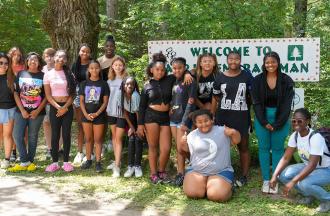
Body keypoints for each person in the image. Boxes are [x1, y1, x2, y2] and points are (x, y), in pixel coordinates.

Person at [137, 52, 193, 184]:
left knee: (166, 148)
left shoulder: (170, 79)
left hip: (166, 117)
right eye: (157, 69)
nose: (160, 72)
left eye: (162, 70)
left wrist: (188, 73)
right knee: (153, 147)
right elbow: (141, 106)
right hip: (150, 117)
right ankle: (153, 174)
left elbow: (181, 71)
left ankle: (161, 170)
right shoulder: (147, 85)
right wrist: (140, 125)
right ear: (151, 70)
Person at [270, 108, 330, 213]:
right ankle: (308, 195)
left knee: (304, 183)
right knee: (283, 175)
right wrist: (274, 176)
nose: (296, 123)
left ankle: (327, 199)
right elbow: (285, 158)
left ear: (307, 121)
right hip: (309, 166)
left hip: (326, 169)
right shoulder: (295, 136)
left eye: (300, 121)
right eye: (293, 121)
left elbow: (312, 165)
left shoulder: (315, 137)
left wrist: (293, 182)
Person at [251, 51, 294, 193]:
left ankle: (274, 180)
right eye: (267, 62)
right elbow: (256, 103)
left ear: (278, 63)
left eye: (273, 62)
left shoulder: (286, 80)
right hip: (261, 117)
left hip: (281, 117)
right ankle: (265, 180)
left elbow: (288, 104)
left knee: (277, 149)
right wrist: (264, 122)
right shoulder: (257, 80)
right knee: (263, 148)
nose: (270, 65)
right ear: (264, 64)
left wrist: (278, 123)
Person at [211, 51, 253, 187]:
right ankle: (219, 172)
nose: (233, 61)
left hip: (241, 116)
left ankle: (245, 175)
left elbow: (252, 96)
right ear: (227, 61)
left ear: (240, 60)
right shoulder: (220, 77)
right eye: (231, 59)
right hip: (223, 116)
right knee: (220, 146)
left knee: (243, 146)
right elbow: (216, 96)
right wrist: (214, 113)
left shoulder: (247, 76)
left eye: (236, 59)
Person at [181, 109, 241, 202]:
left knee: (217, 196)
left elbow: (237, 140)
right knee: (193, 193)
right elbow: (186, 150)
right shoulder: (192, 135)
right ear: (195, 123)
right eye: (200, 122)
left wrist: (233, 132)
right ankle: (204, 184)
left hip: (221, 171)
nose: (204, 124)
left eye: (206, 120)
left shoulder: (222, 131)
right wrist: (182, 143)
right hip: (197, 171)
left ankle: (226, 187)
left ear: (212, 120)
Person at [8, 52, 47, 172]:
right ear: (27, 62)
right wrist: (22, 110)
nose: (33, 61)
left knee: (32, 137)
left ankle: (30, 162)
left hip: (37, 113)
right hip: (21, 111)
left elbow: (46, 96)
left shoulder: (43, 76)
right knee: (17, 135)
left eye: (35, 59)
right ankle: (25, 161)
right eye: (30, 59)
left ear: (39, 62)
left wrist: (37, 111)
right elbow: (16, 93)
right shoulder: (21, 74)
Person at [44, 50, 76, 172]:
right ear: (54, 58)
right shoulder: (48, 74)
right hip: (54, 107)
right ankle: (54, 162)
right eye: (58, 56)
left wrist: (65, 107)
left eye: (63, 57)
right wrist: (58, 107)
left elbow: (73, 94)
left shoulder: (69, 74)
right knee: (55, 135)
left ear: (66, 60)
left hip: (67, 107)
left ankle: (67, 162)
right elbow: (48, 95)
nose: (60, 58)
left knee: (66, 134)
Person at [169, 57, 196, 186]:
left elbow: (191, 102)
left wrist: (185, 121)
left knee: (182, 147)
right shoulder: (174, 81)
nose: (177, 70)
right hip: (173, 119)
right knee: (179, 148)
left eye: (179, 68)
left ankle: (196, 165)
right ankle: (180, 174)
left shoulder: (190, 80)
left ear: (185, 67)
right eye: (174, 68)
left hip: (183, 120)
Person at [79, 60, 109, 173]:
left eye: (96, 68)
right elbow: (81, 101)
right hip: (86, 116)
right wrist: (86, 114)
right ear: (88, 70)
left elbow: (105, 102)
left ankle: (98, 162)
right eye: (91, 68)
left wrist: (97, 113)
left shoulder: (104, 84)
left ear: (99, 69)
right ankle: (88, 160)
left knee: (98, 139)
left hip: (99, 116)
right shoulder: (84, 84)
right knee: (88, 139)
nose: (94, 70)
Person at [106, 56, 128, 177]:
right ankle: (116, 160)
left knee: (119, 139)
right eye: (116, 65)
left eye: (120, 65)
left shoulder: (127, 80)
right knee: (114, 137)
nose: (118, 67)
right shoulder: (109, 81)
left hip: (122, 114)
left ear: (123, 66)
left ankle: (117, 166)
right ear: (112, 67)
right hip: (110, 112)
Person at [97, 35, 120, 153]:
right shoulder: (100, 61)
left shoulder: (118, 59)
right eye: (107, 46)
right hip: (102, 92)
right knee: (103, 117)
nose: (109, 48)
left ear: (114, 47)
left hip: (115, 92)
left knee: (114, 116)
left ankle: (113, 140)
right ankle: (102, 141)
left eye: (111, 46)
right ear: (104, 47)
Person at [118, 77, 143, 178]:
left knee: (138, 139)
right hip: (130, 119)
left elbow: (138, 113)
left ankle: (137, 166)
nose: (129, 86)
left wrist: (138, 128)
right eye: (127, 84)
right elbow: (125, 113)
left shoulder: (135, 96)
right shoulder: (121, 95)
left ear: (134, 86)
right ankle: (130, 166)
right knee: (131, 140)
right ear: (123, 85)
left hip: (139, 118)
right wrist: (131, 127)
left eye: (131, 84)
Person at [41, 48, 64, 160]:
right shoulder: (42, 70)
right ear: (43, 57)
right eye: (47, 55)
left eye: (51, 55)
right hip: (44, 102)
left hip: (58, 102)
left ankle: (58, 148)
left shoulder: (61, 69)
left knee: (59, 125)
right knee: (47, 124)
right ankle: (49, 148)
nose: (49, 58)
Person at [72, 44, 92, 165]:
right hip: (78, 95)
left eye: (87, 52)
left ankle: (91, 152)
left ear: (90, 53)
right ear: (79, 52)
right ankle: (79, 152)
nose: (84, 53)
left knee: (91, 125)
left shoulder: (93, 64)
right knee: (80, 125)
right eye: (82, 51)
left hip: (92, 95)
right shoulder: (75, 65)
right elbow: (73, 81)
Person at [7, 46, 25, 161]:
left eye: (19, 55)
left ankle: (21, 152)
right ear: (10, 54)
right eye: (14, 54)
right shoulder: (5, 66)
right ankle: (13, 152)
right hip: (7, 100)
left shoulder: (23, 67)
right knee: (11, 128)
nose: (17, 57)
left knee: (21, 129)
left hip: (21, 99)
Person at [0, 52, 16, 169]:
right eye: (0, 63)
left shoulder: (12, 77)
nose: (3, 65)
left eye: (6, 63)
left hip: (10, 109)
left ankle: (7, 159)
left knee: (7, 134)